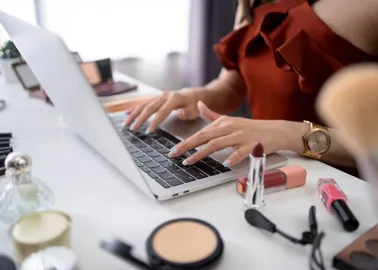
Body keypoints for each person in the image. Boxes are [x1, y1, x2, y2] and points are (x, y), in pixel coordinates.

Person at [125, 0, 378, 174]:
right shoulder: (251, 2)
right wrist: (195, 96)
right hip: (264, 167)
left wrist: (289, 135)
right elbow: (233, 86)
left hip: (341, 191)